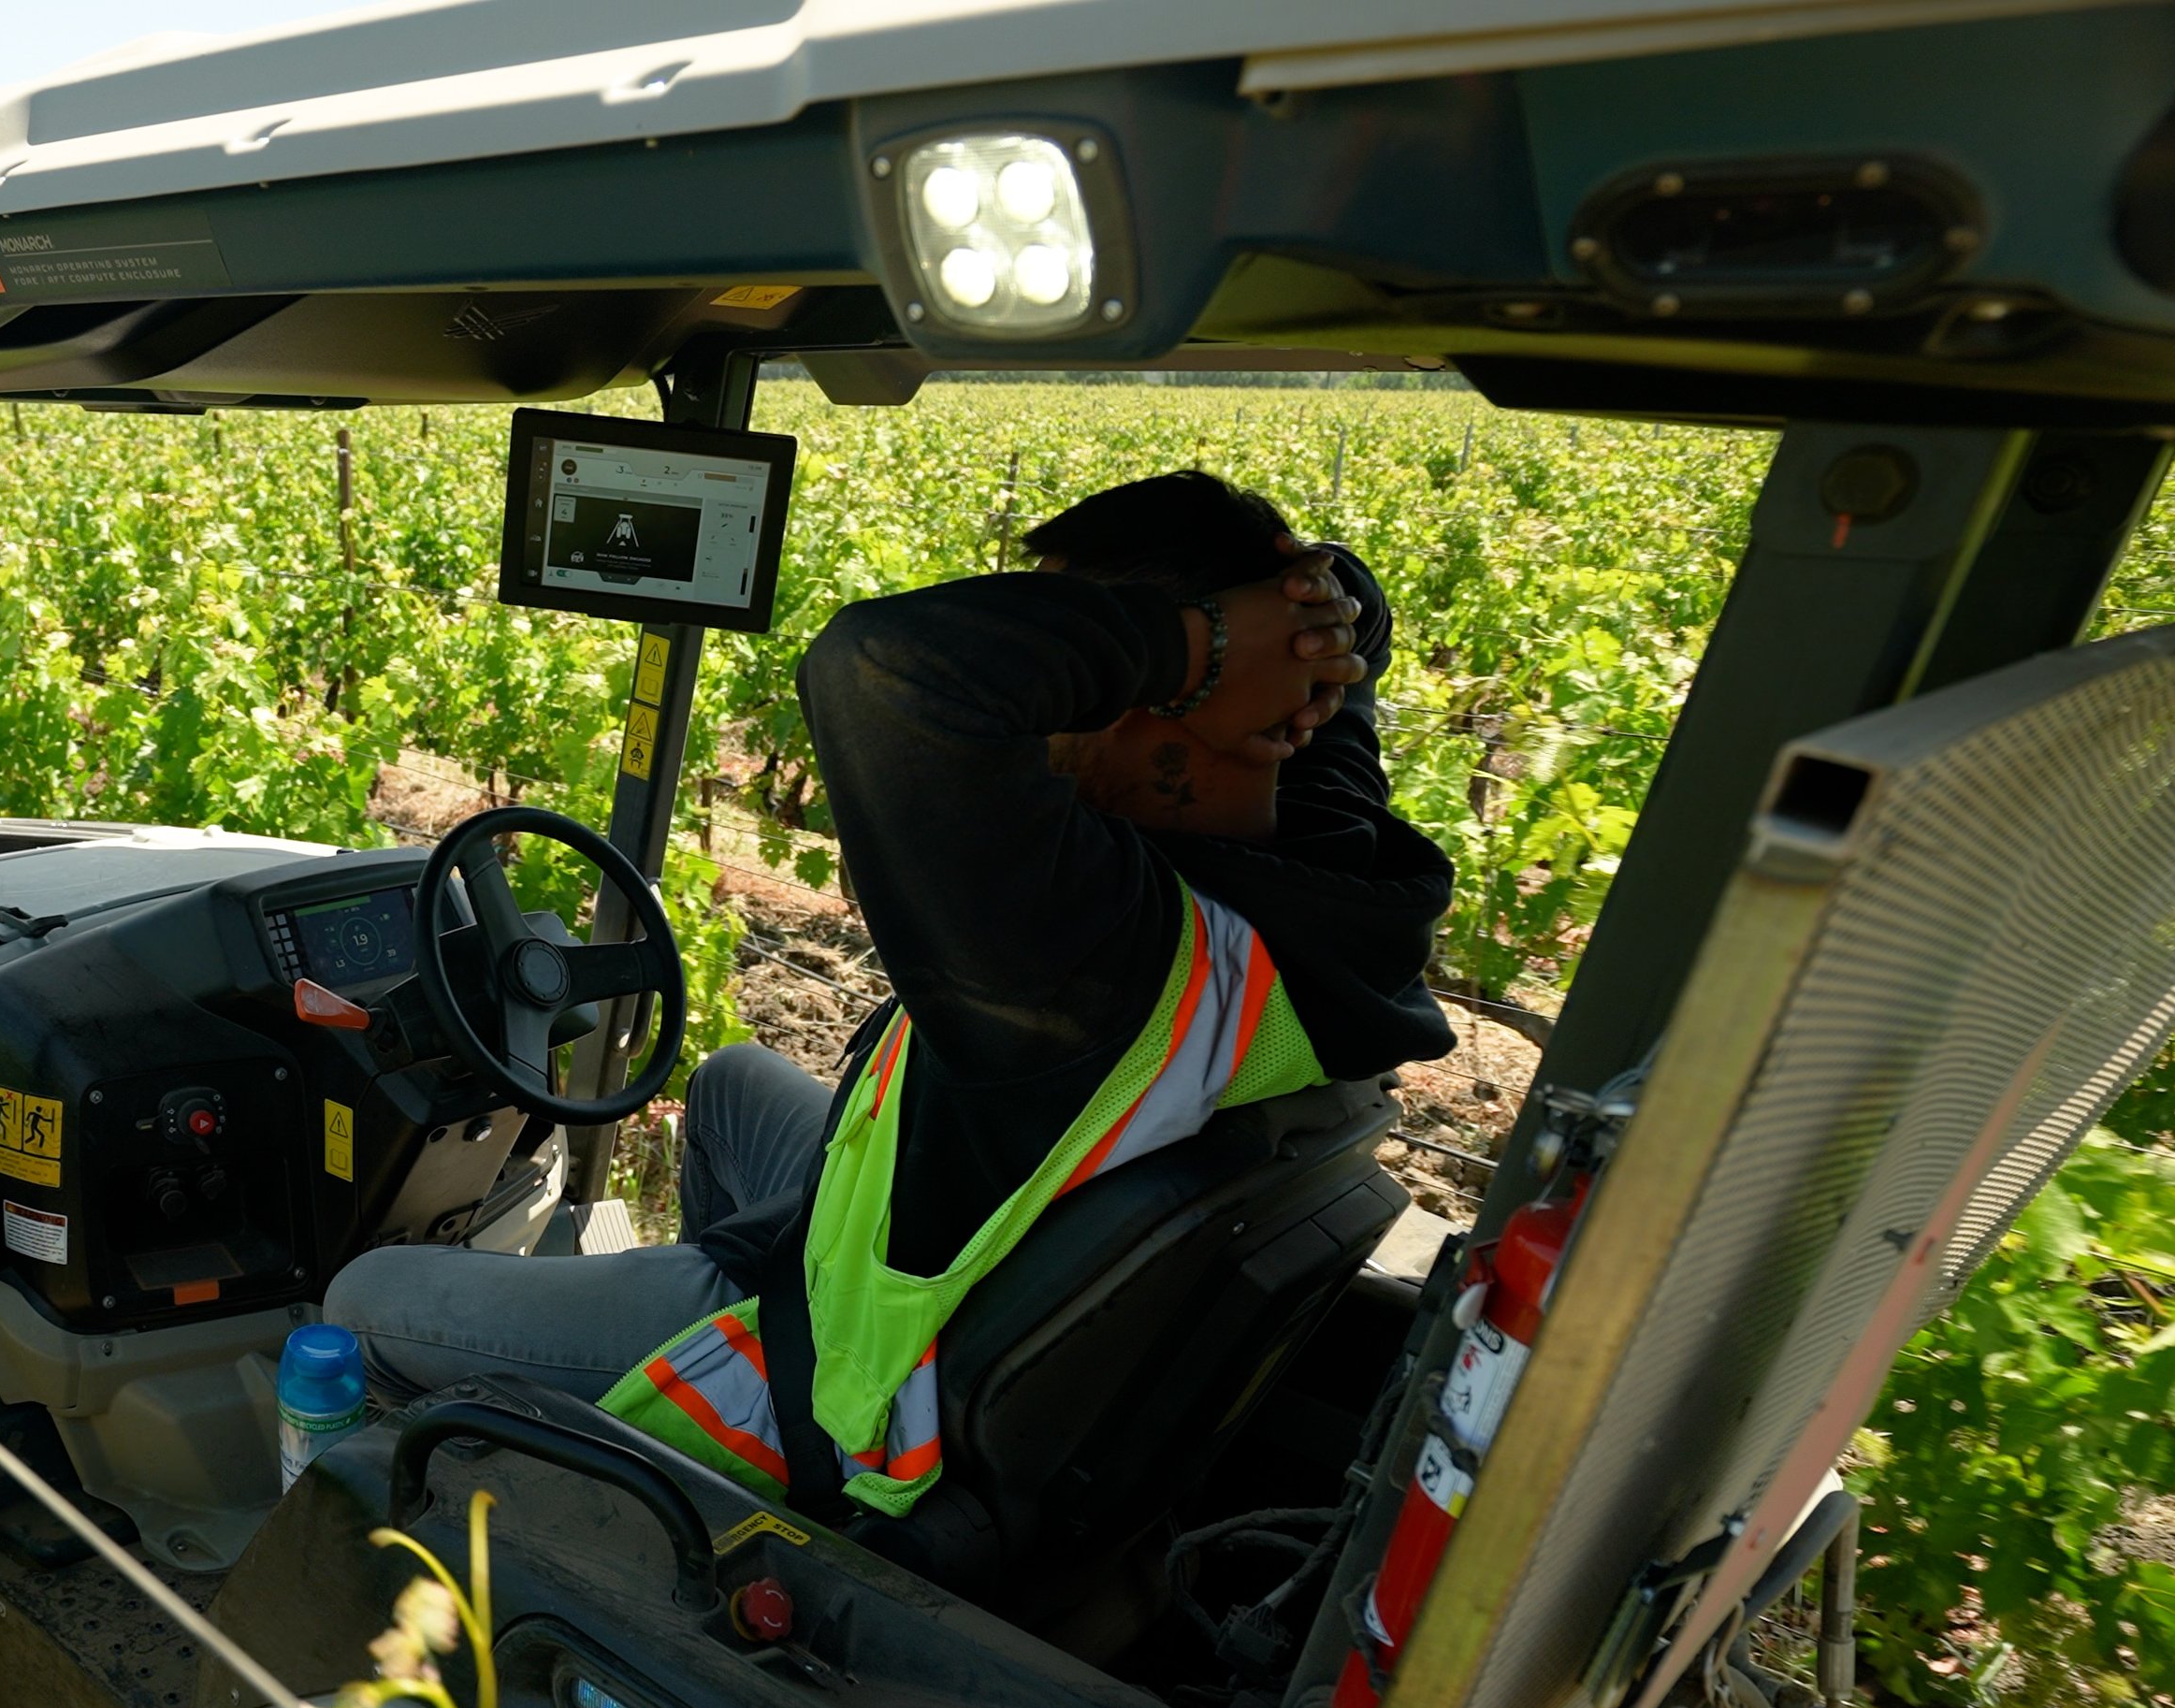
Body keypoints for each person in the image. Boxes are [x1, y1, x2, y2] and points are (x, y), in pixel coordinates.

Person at [326, 470, 1457, 1514]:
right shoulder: (1317, 861)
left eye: (1080, 658)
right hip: (928, 1256)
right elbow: (1345, 670)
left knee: (362, 1298)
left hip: (824, 1391)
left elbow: (889, 671)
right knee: (730, 1085)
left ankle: (649, 1476)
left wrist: (1203, 640)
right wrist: (1302, 615)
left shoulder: (1086, 942)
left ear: (1171, 695)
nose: (1051, 702)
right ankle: (717, 1286)